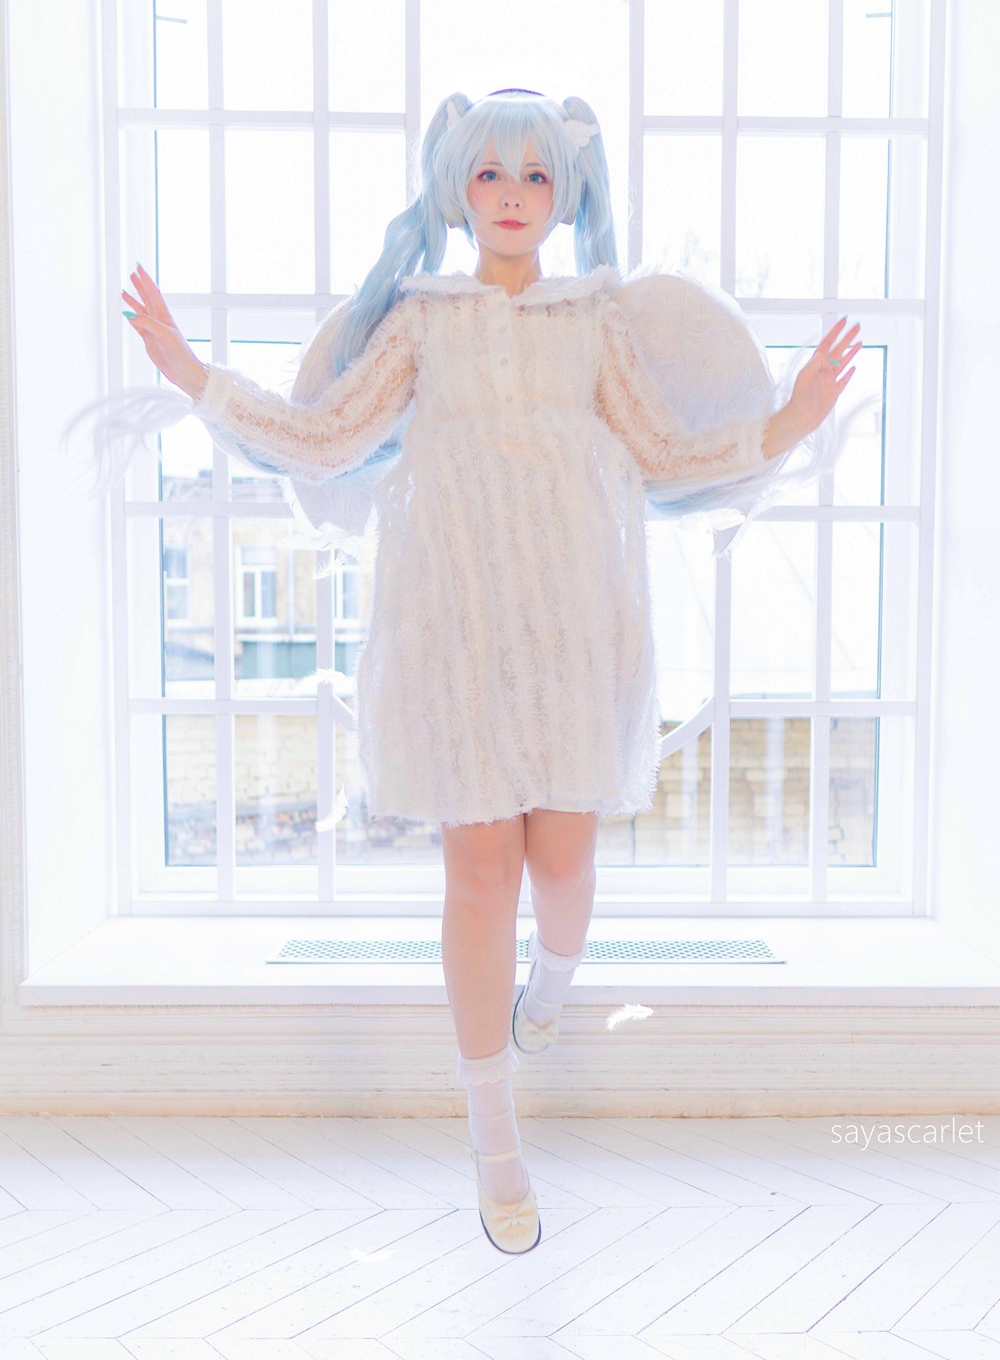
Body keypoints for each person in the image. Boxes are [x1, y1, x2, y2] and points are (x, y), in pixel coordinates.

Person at [107, 87, 861, 1255]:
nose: (512, 195)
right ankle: (493, 1137)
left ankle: (549, 989)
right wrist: (192, 371)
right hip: (453, 626)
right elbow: (326, 438)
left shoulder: (592, 320)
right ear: (456, 192)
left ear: (565, 194)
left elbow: (663, 454)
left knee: (563, 866)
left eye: (536, 175)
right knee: (477, 879)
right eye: (490, 174)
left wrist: (791, 420)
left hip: (574, 629)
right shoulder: (424, 321)